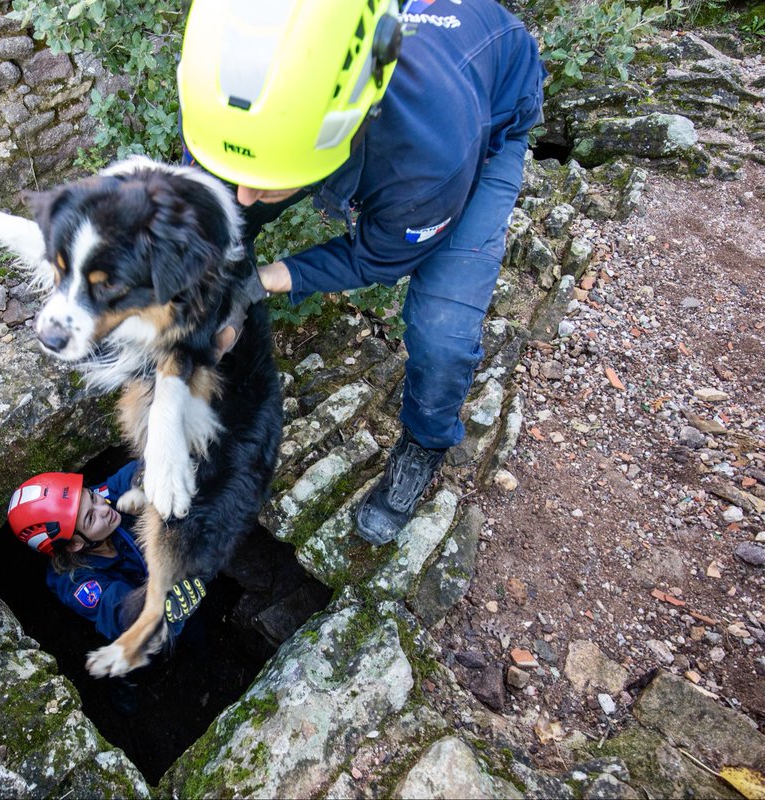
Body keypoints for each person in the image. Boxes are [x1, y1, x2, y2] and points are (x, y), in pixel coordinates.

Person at [178, 0, 546, 545]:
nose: (247, 193)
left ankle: (424, 442)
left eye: (265, 175)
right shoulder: (225, 89)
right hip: (326, 116)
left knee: (442, 334)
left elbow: (377, 255)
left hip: (486, 118)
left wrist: (263, 281)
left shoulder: (427, 161)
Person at [6, 461, 206, 643]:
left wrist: (147, 478)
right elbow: (118, 609)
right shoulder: (74, 580)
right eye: (90, 518)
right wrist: (164, 605)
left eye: (92, 497)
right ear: (74, 545)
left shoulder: (101, 500)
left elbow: (127, 478)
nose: (103, 508)